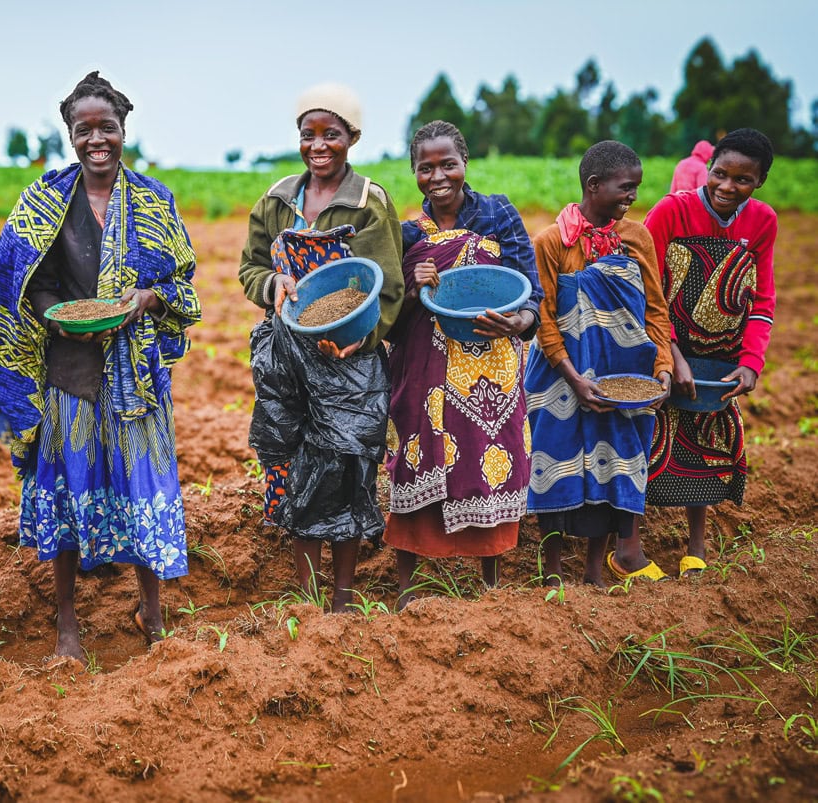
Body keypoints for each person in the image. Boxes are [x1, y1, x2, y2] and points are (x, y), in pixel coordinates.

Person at [0, 72, 201, 661]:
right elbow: (20, 282)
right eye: (84, 130)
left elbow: (180, 280)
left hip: (135, 374)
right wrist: (59, 317)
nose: (97, 139)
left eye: (108, 128)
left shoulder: (153, 200)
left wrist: (145, 300)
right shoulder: (44, 200)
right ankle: (68, 623)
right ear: (70, 136)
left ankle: (150, 610)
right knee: (69, 491)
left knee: (142, 486)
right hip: (67, 370)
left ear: (124, 130)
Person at [238, 84, 403, 612]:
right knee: (297, 462)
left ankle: (344, 596)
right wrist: (273, 286)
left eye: (331, 134)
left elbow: (390, 287)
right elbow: (250, 267)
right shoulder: (278, 199)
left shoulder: (368, 202)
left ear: (352, 137)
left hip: (349, 359)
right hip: (288, 355)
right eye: (308, 134)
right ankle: (309, 598)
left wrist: (358, 340)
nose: (318, 145)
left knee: (348, 464)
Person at [384, 121, 543, 608]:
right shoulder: (408, 233)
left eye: (447, 164)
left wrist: (520, 322)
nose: (437, 176)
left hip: (488, 369)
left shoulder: (498, 214)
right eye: (425, 168)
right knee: (416, 460)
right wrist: (414, 283)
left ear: (464, 163)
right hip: (424, 370)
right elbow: (388, 315)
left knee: (487, 457)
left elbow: (531, 290)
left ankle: (490, 588)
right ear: (414, 171)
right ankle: (407, 589)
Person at [525, 141, 674, 586]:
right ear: (594, 185)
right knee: (555, 464)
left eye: (636, 189)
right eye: (625, 188)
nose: (632, 198)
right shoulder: (552, 242)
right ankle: (551, 571)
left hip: (623, 376)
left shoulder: (637, 238)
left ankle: (595, 568)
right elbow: (544, 317)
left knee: (618, 465)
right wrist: (573, 377)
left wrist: (662, 367)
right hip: (558, 375)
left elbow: (655, 309)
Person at [644, 128, 777, 577]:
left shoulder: (762, 222)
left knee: (705, 442)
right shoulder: (671, 211)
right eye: (720, 174)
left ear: (759, 181)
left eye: (742, 180)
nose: (727, 187)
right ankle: (627, 544)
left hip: (717, 357)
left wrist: (750, 363)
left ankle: (695, 548)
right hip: (661, 348)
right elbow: (648, 291)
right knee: (644, 439)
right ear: (708, 168)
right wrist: (671, 354)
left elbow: (762, 299)